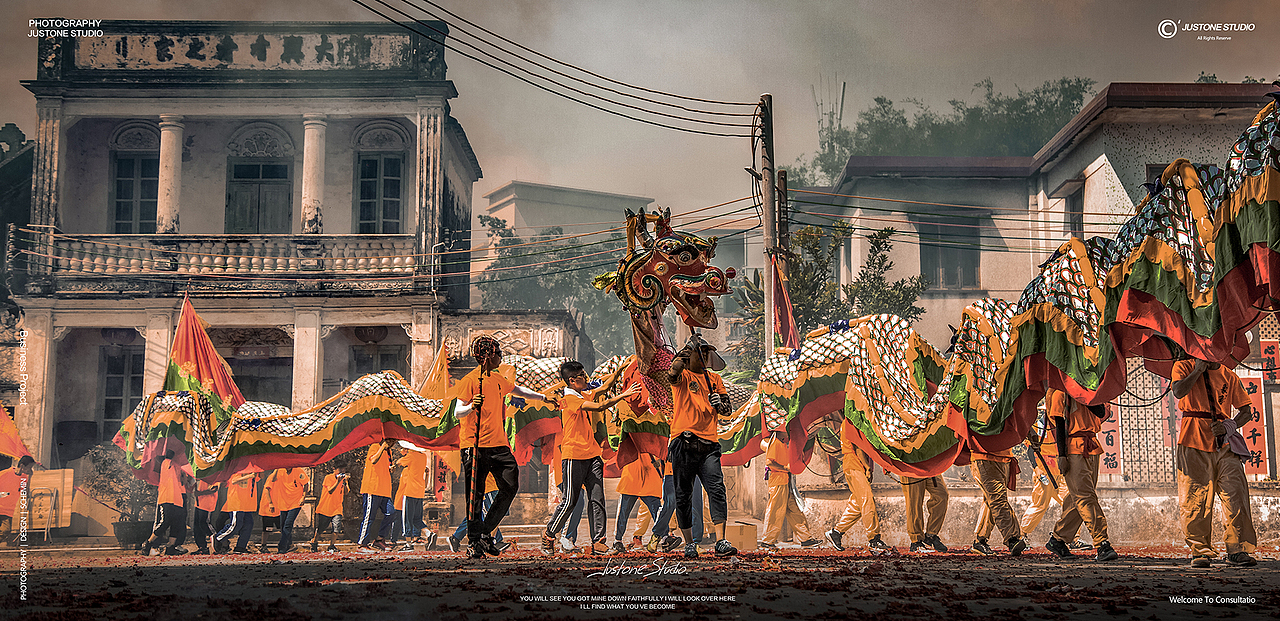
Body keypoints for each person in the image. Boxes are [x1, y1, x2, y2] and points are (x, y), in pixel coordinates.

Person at [455, 335, 556, 559]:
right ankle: (474, 541)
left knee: (510, 485)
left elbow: (518, 390)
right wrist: (472, 406)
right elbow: (457, 411)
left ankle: (484, 533)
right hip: (474, 445)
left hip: (498, 445)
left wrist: (543, 397)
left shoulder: (498, 379)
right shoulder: (470, 380)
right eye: (498, 352)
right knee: (475, 495)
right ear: (488, 356)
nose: (501, 355)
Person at [542, 360, 640, 555]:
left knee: (597, 498)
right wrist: (624, 395)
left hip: (592, 455)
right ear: (572, 380)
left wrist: (619, 370)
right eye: (583, 376)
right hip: (573, 455)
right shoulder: (570, 399)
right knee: (570, 500)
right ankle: (549, 534)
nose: (587, 379)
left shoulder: (581, 393)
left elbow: (603, 388)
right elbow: (600, 406)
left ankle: (599, 542)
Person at [1171, 357, 1259, 568]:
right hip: (1193, 439)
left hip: (1224, 443)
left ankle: (1237, 549)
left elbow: (1246, 410)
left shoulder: (1229, 374)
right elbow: (1178, 391)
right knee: (1195, 499)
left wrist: (1230, 426)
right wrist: (1197, 371)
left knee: (1235, 494)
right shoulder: (1183, 366)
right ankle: (1200, 551)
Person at [667, 333, 737, 559]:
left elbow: (727, 410)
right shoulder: (683, 376)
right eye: (702, 352)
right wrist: (688, 347)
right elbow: (672, 372)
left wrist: (720, 402)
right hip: (683, 442)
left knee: (716, 490)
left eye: (707, 353)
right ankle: (689, 543)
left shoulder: (715, 380)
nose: (705, 357)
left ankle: (721, 541)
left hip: (709, 444)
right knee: (683, 494)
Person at [1043, 389, 1117, 562]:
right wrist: (1062, 456)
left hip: (1091, 446)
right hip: (1073, 449)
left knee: (1079, 499)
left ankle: (1058, 539)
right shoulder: (1059, 393)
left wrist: (1083, 392)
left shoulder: (1088, 391)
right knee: (1085, 498)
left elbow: (1100, 411)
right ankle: (1102, 543)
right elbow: (1059, 425)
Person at [827, 419, 892, 553]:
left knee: (858, 504)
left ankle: (836, 533)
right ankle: (874, 540)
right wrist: (868, 468)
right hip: (855, 463)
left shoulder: (850, 421)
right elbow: (858, 447)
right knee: (867, 501)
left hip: (853, 463)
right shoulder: (852, 421)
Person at [761, 430, 820, 549]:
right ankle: (767, 541)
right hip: (778, 481)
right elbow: (770, 463)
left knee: (794, 511)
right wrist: (785, 468)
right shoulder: (775, 442)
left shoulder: (784, 444)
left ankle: (806, 538)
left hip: (786, 481)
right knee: (775, 511)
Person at [968, 444, 1028, 557]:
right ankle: (1012, 538)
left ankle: (980, 540)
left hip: (1004, 458)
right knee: (998, 500)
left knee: (991, 500)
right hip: (984, 457)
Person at [611, 451, 663, 554]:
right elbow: (615, 443)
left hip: (648, 475)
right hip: (633, 475)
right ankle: (618, 540)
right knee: (624, 512)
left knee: (657, 511)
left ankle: (664, 536)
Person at [141, 451, 188, 556]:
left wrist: (183, 474)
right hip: (167, 497)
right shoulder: (166, 463)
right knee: (164, 522)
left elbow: (184, 482)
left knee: (177, 523)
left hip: (178, 498)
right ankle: (148, 543)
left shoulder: (180, 467)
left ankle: (170, 547)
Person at [447, 472, 506, 552]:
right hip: (490, 487)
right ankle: (494, 540)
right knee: (493, 514)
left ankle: (456, 538)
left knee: (477, 515)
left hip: (493, 486)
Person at [393, 444, 434, 551]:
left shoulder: (411, 456)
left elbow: (398, 462)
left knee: (407, 519)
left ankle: (408, 544)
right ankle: (429, 534)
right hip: (419, 492)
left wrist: (406, 453)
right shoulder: (423, 457)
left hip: (410, 492)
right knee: (417, 519)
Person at [357, 440, 396, 553]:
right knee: (369, 517)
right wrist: (382, 447)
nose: (393, 443)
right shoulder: (375, 447)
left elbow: (386, 466)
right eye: (391, 440)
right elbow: (373, 460)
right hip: (372, 488)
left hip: (384, 489)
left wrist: (390, 469)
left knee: (391, 513)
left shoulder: (389, 452)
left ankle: (379, 540)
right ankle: (362, 544)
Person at [900, 473, 949, 553]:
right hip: (910, 467)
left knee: (941, 496)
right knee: (914, 503)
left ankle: (931, 535)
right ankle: (916, 541)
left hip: (931, 467)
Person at [265, 467, 307, 554]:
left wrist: (303, 497)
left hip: (296, 503)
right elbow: (272, 480)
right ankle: (289, 545)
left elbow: (306, 484)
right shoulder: (279, 471)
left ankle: (282, 547)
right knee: (283, 526)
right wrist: (276, 468)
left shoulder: (299, 471)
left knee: (288, 525)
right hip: (283, 503)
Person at [215, 470, 258, 554]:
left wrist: (260, 470)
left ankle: (240, 547)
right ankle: (218, 538)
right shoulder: (238, 469)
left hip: (247, 504)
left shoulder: (252, 471)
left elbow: (261, 477)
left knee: (248, 525)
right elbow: (234, 481)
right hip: (236, 503)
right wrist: (250, 476)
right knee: (236, 524)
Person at [312, 465, 349, 553]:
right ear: (334, 469)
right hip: (326, 507)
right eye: (340, 469)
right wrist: (338, 481)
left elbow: (346, 492)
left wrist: (345, 483)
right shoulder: (328, 478)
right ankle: (314, 542)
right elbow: (330, 491)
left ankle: (331, 545)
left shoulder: (343, 480)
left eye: (343, 470)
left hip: (337, 508)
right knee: (321, 528)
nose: (341, 472)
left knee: (336, 528)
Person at [0, 456, 35, 547]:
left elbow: (25, 492)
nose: (30, 470)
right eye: (29, 467)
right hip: (2, 507)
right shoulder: (4, 474)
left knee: (6, 530)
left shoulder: (24, 477)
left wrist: (30, 477)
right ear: (22, 466)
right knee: (5, 530)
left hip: (11, 510)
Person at [190, 479, 219, 554]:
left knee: (204, 523)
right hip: (199, 503)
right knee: (197, 526)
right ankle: (202, 547)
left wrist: (200, 493)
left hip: (207, 503)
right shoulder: (201, 474)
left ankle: (217, 540)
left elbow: (214, 489)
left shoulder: (213, 474)